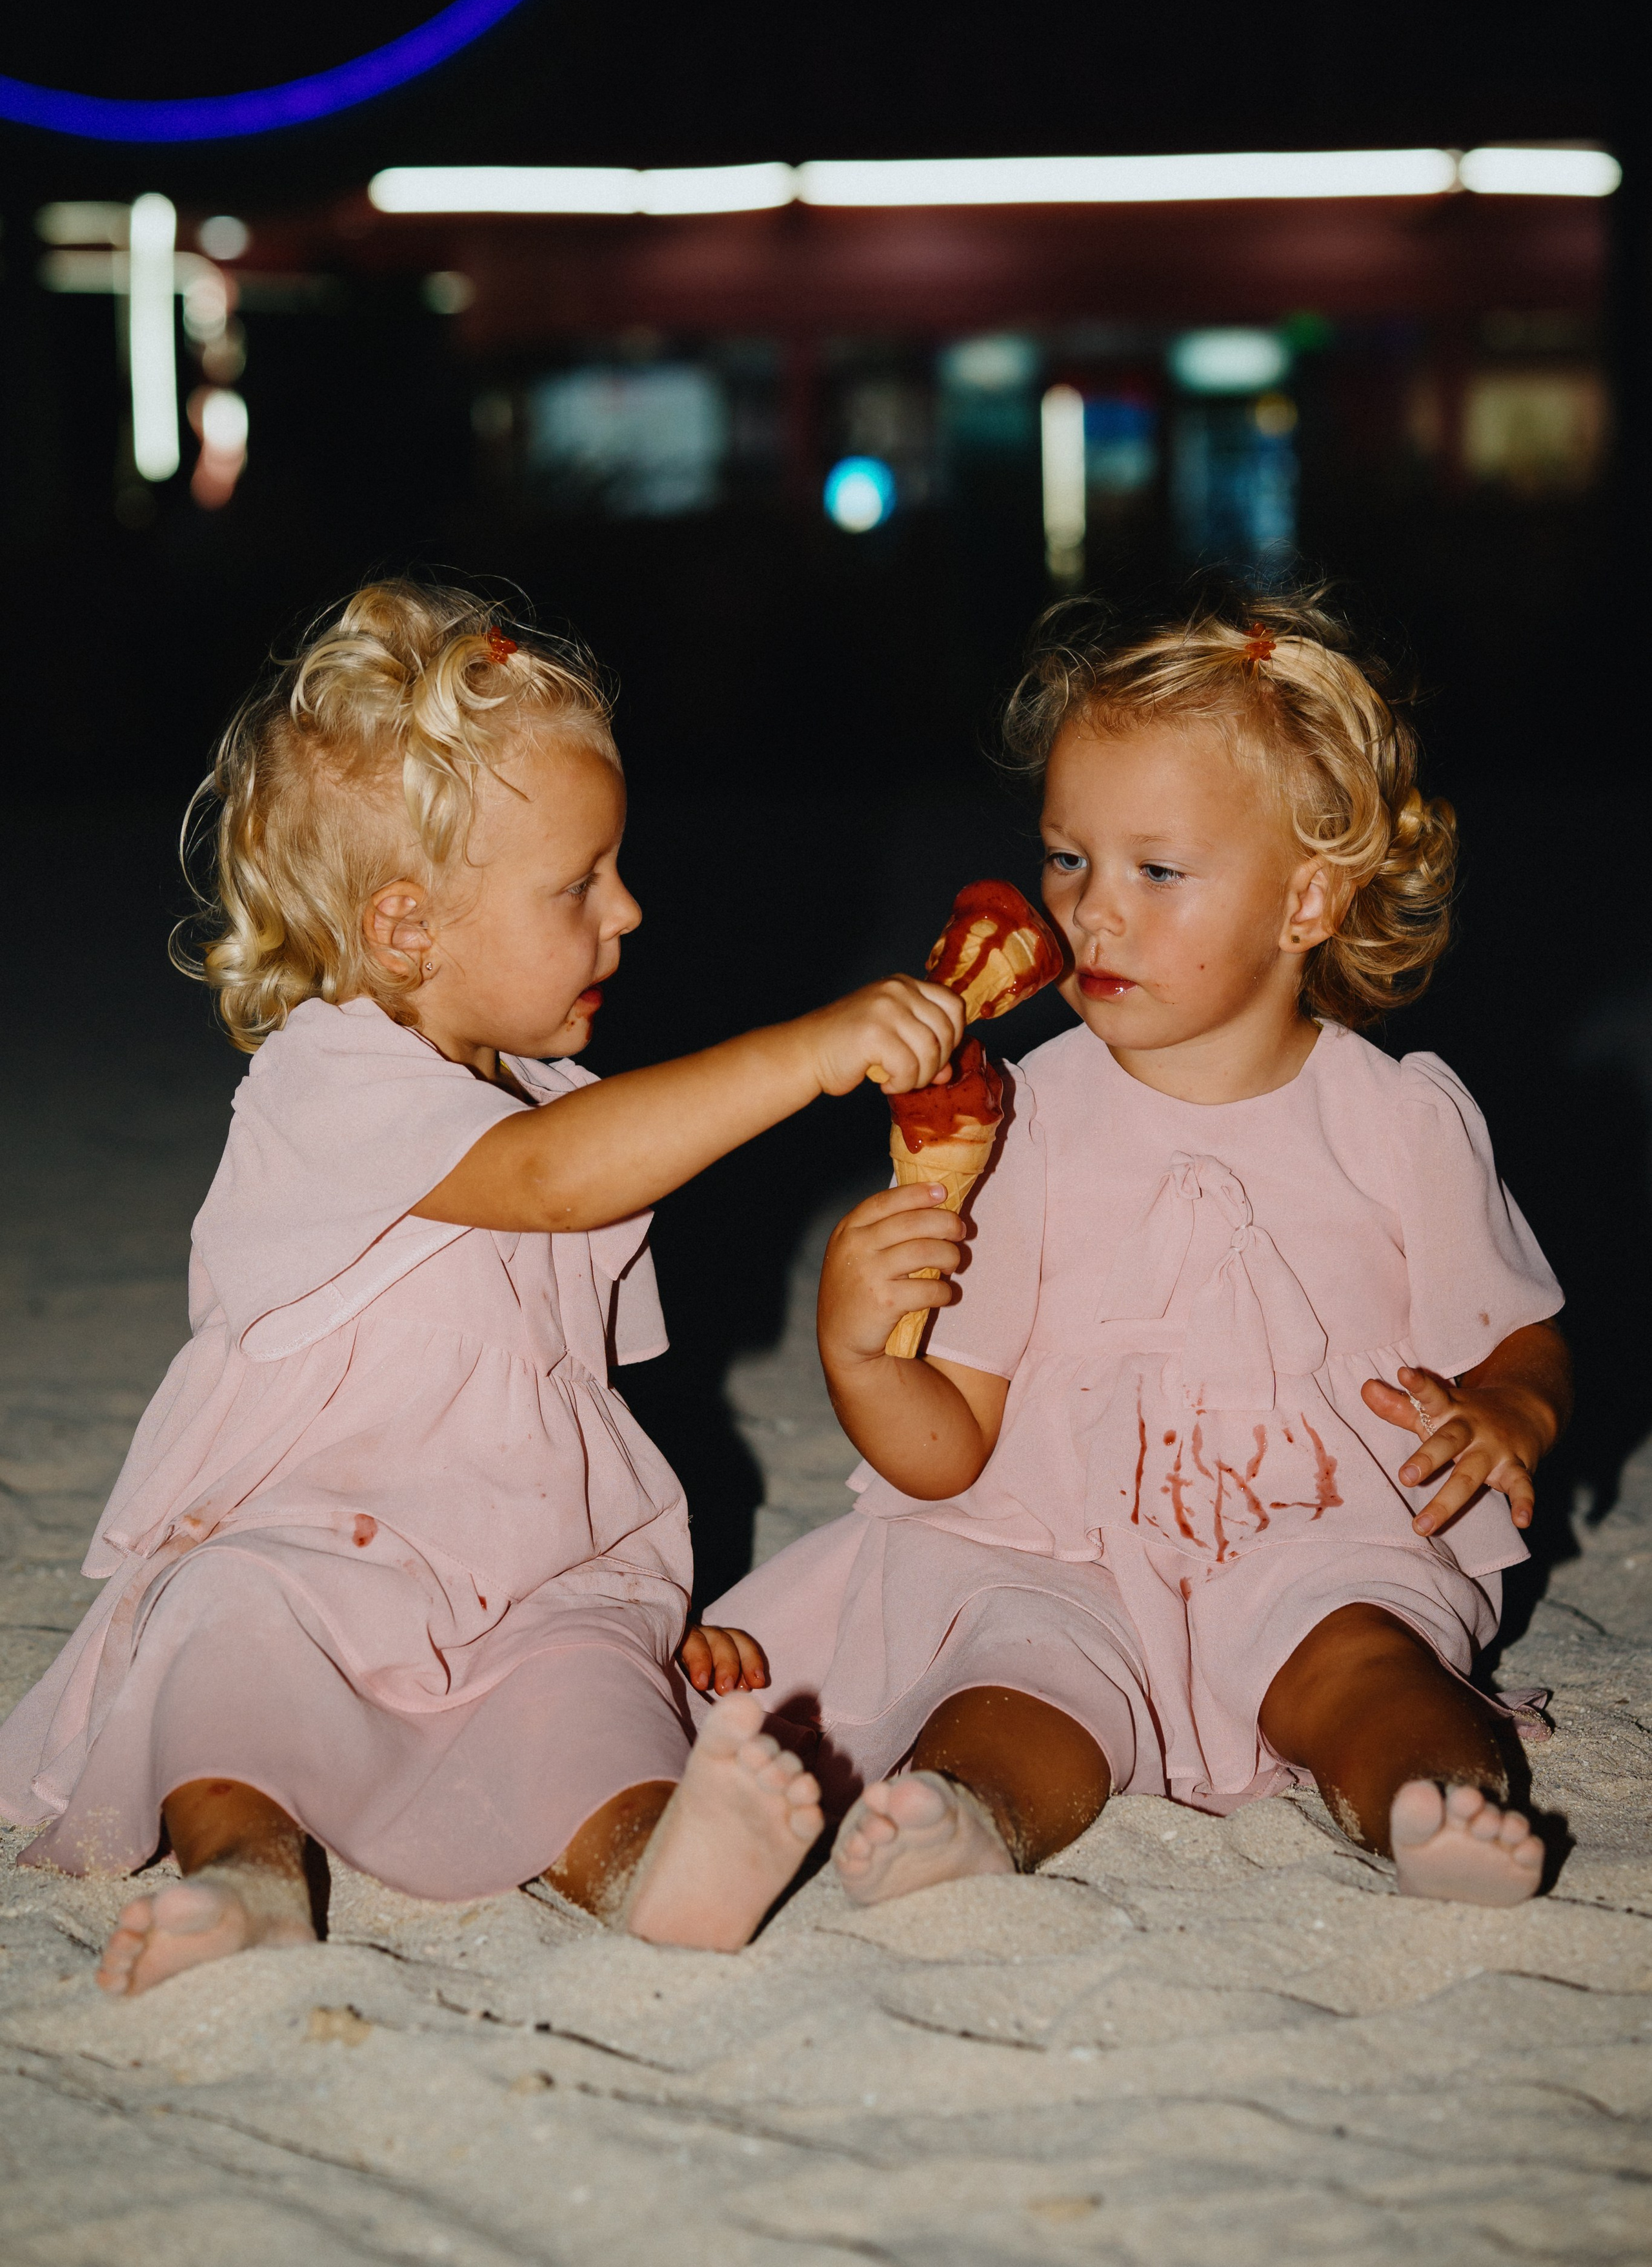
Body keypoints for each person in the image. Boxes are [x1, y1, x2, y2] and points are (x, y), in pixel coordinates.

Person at [0, 582, 964, 1993]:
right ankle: (246, 1870)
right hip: (318, 1552)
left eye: (614, 868)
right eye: (579, 884)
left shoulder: (556, 1097)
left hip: (525, 1582)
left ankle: (653, 1862)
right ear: (406, 928)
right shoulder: (329, 1082)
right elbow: (555, 1177)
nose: (626, 910)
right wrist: (805, 1053)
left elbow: (566, 1404)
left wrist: (644, 1605)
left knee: (589, 1698)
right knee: (229, 1637)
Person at [705, 584, 1569, 1910]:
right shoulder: (1021, 1115)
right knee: (1020, 1675)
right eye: (1066, 859)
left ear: (1305, 901)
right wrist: (857, 1351)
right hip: (1061, 1543)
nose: (1089, 913)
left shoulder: (1398, 1120)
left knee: (1363, 1663)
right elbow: (954, 1443)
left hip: (1320, 1532)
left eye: (1153, 871)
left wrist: (1511, 1399)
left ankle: (1424, 1803)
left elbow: (1514, 1330)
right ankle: (964, 1814)